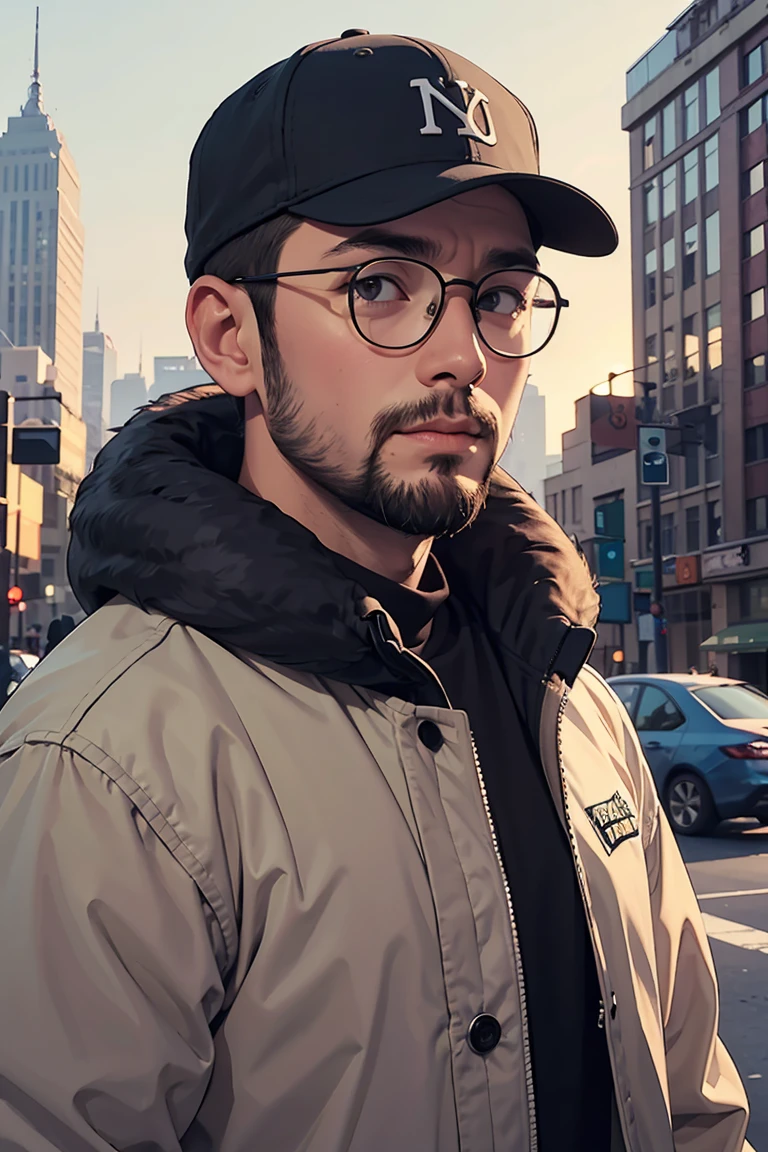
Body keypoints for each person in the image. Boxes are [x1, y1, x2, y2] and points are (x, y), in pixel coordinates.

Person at [0, 30, 752, 1152]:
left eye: (498, 295)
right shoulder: (105, 759)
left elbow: (693, 1108)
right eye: (381, 285)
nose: (462, 351)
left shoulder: (576, 701)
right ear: (228, 335)